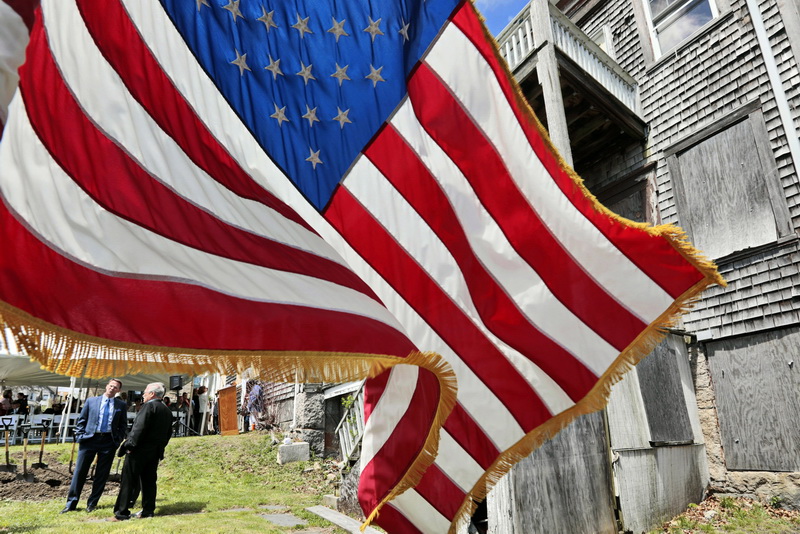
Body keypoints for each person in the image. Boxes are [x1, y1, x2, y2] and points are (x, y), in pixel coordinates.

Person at [61, 378, 127, 514]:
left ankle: (92, 503)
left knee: (101, 475)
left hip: (108, 441)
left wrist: (117, 440)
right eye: (111, 386)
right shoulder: (92, 401)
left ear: (118, 390)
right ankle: (71, 503)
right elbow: (82, 420)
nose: (112, 388)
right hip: (89, 440)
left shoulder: (121, 405)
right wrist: (80, 436)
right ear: (106, 386)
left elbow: (123, 425)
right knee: (79, 472)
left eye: (115, 387)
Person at [112, 382, 173, 521]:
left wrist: (128, 446)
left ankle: (121, 513)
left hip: (138, 451)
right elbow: (168, 433)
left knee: (128, 481)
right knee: (149, 482)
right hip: (154, 451)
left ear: (152, 394)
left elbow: (138, 429)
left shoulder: (148, 406)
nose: (143, 395)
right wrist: (160, 447)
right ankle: (148, 511)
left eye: (145, 392)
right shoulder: (166, 410)